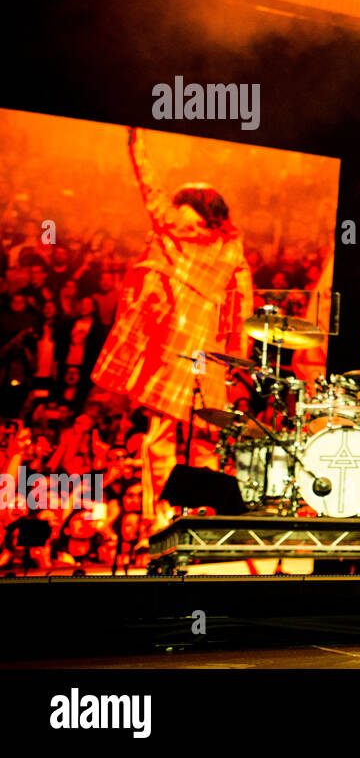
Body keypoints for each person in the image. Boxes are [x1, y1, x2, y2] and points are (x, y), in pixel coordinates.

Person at [91, 127, 253, 528]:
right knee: (196, 441)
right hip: (203, 357)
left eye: (184, 205)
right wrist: (237, 359)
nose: (178, 213)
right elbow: (242, 308)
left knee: (163, 441)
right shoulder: (227, 248)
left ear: (196, 208)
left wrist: (136, 140)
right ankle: (197, 516)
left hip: (182, 353)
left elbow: (149, 185)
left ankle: (164, 518)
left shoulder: (184, 236)